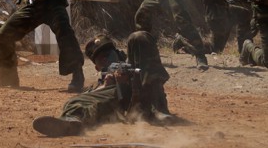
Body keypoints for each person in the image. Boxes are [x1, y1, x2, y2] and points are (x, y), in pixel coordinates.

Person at [32, 31, 173, 137]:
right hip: (128, 108)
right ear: (97, 68)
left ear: (118, 53)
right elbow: (90, 99)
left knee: (138, 36)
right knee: (74, 100)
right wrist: (107, 86)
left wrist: (128, 79)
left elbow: (146, 68)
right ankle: (71, 123)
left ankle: (159, 108)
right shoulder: (99, 85)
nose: (107, 59)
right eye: (102, 58)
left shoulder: (131, 63)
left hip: (146, 93)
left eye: (110, 54)